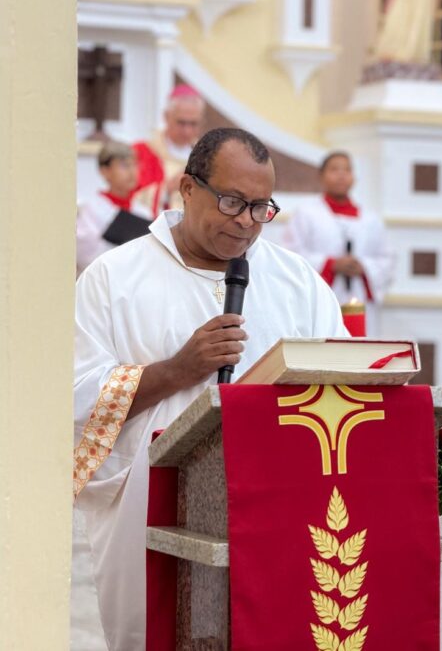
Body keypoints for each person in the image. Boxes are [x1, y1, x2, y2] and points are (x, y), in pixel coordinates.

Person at [73, 128, 347, 650]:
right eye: (232, 201)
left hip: (275, 511)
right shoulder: (114, 278)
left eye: (261, 207)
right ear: (188, 188)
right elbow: (75, 399)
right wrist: (177, 370)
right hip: (149, 512)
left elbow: (338, 386)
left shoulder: (299, 282)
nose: (246, 221)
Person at [282, 151, 393, 335]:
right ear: (321, 176)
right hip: (322, 298)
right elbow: (291, 255)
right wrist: (330, 264)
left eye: (347, 170)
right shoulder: (306, 214)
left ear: (354, 177)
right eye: (334, 169)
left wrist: (364, 267)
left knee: (359, 346)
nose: (341, 175)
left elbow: (386, 259)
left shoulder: (371, 219)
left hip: (360, 298)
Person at [76, 140, 154, 274]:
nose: (132, 172)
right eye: (124, 165)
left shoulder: (143, 211)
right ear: (104, 171)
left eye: (135, 164)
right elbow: (84, 254)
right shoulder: (91, 208)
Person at [133, 83, 206, 214]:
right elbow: (130, 199)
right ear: (166, 117)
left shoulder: (206, 156)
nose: (187, 131)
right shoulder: (142, 152)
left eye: (193, 124)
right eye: (181, 122)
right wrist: (168, 188)